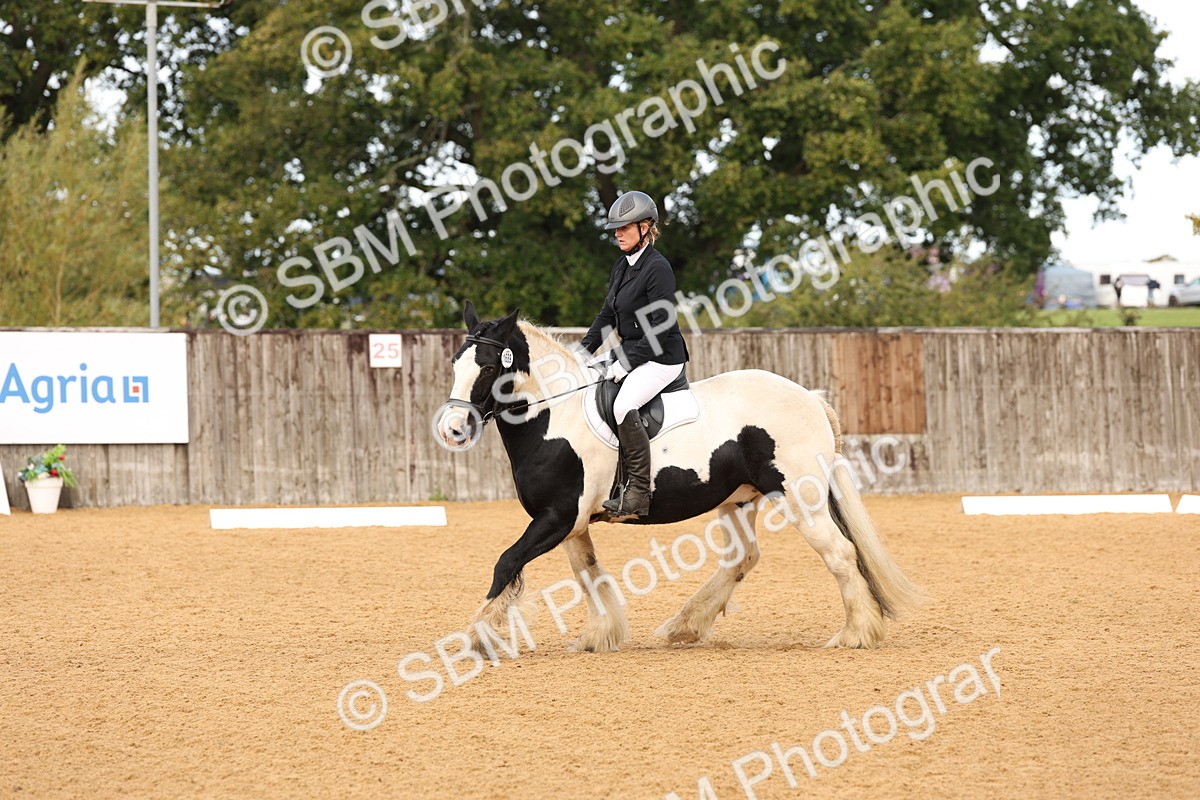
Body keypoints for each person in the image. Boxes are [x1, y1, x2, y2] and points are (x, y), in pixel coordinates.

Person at [580, 191, 689, 519]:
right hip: (629, 350)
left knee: (623, 403)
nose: (617, 233)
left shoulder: (658, 269)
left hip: (661, 357)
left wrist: (626, 363)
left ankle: (638, 493)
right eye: (615, 228)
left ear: (645, 227)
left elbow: (660, 327)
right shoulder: (621, 266)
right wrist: (580, 352)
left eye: (624, 227)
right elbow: (607, 316)